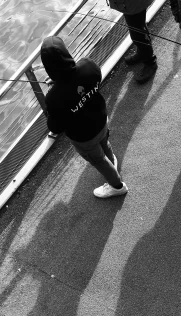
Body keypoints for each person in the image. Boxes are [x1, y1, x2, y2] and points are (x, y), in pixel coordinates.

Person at [41, 35, 128, 198]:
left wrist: (56, 88)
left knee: (98, 160)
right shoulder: (88, 65)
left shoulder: (53, 97)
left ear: (48, 67)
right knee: (104, 142)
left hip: (84, 136)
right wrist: (60, 83)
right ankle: (112, 162)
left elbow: (55, 127)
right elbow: (88, 80)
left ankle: (116, 186)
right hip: (101, 119)